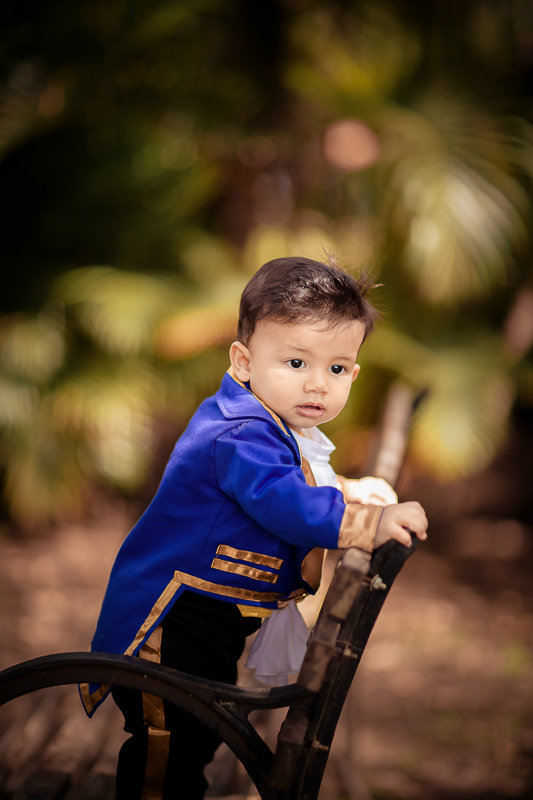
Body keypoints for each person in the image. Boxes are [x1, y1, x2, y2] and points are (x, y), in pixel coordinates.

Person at [80, 256, 428, 800]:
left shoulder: (269, 423)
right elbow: (282, 501)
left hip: (206, 626)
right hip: (170, 627)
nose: (318, 383)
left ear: (354, 373)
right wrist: (369, 521)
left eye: (337, 369)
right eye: (296, 362)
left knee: (192, 741)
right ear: (243, 361)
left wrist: (348, 488)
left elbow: (294, 481)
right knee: (167, 749)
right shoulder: (240, 434)